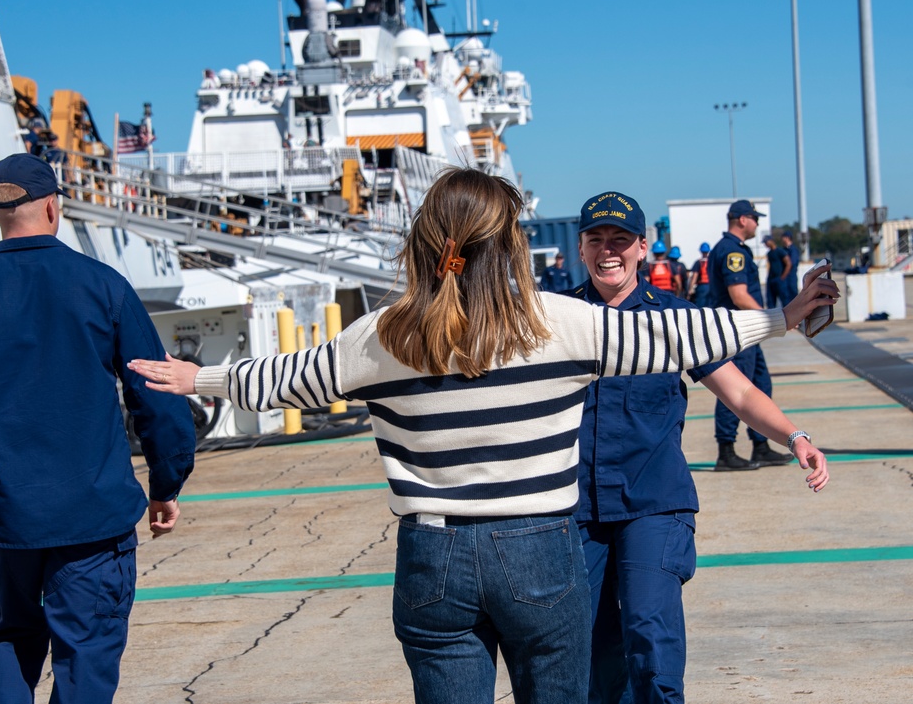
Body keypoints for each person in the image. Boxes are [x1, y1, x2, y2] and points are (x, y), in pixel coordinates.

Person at [129, 169, 837, 704]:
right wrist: (783, 316)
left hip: (432, 555)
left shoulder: (380, 336)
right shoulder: (557, 322)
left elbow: (281, 378)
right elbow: (685, 333)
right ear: (510, 246)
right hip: (538, 546)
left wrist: (199, 381)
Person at [0, 154, 196, 702]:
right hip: (92, 519)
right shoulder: (105, 287)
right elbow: (155, 390)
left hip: (2, 521)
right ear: (52, 206)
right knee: (87, 648)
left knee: (8, 637)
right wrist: (167, 482)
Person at [569, 191, 828, 704]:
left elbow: (739, 391)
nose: (608, 250)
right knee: (592, 650)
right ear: (581, 249)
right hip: (574, 508)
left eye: (620, 239)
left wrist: (795, 437)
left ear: (643, 247)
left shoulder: (676, 319)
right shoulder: (558, 320)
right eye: (596, 239)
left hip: (654, 502)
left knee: (649, 632)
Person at [708, 200, 796, 470]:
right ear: (742, 219)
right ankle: (726, 451)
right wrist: (772, 319)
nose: (758, 223)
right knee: (734, 393)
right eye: (755, 218)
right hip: (737, 334)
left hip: (748, 335)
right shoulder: (732, 252)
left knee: (761, 387)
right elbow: (739, 295)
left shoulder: (736, 250)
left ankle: (761, 446)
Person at [763, 234, 793, 309]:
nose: (765, 244)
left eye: (766, 242)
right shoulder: (769, 254)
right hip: (771, 280)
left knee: (785, 302)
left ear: (771, 241)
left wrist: (782, 277)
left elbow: (788, 264)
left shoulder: (780, 251)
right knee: (770, 302)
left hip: (779, 279)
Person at [687, 242, 711, 306]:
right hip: (711, 286)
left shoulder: (698, 262)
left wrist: (690, 289)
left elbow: (694, 277)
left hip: (702, 287)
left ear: (701, 251)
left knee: (701, 306)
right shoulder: (712, 261)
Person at [781, 230, 800, 300]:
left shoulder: (793, 250)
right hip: (785, 277)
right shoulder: (784, 249)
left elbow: (792, 263)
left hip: (791, 276)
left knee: (793, 296)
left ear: (787, 238)